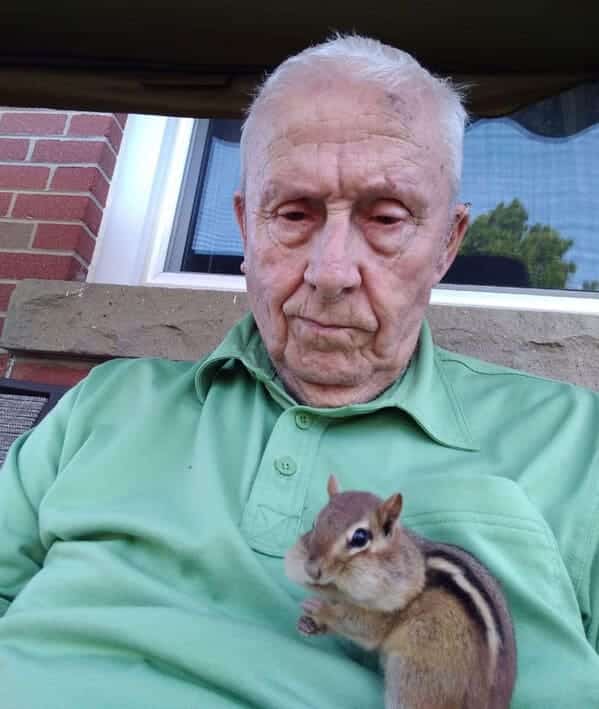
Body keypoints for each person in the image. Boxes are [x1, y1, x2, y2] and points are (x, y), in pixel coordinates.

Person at [0, 35, 598, 708]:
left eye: (386, 218)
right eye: (292, 214)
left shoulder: (578, 444)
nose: (330, 273)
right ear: (244, 231)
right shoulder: (105, 403)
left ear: (447, 244)